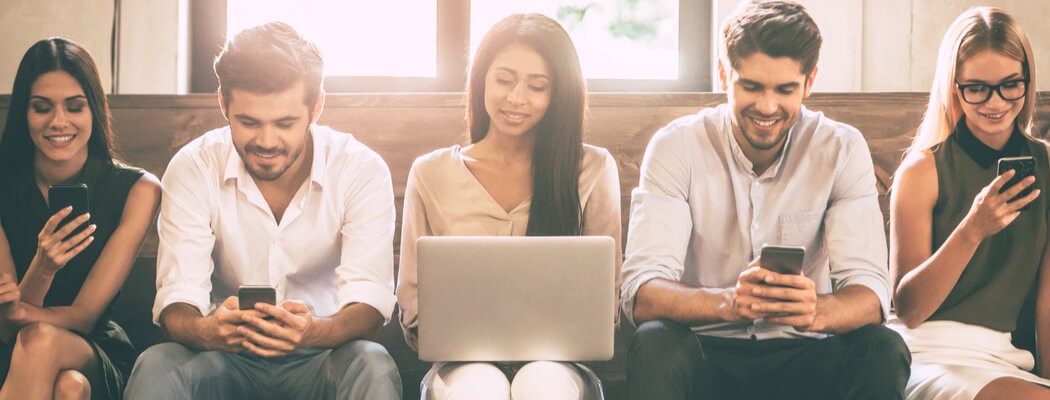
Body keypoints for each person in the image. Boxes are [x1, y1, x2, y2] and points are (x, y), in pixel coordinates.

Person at [619, 1, 911, 399]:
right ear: (725, 74)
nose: (768, 106)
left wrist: (817, 311)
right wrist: (729, 303)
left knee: (882, 347)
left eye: (785, 89)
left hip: (806, 350)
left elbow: (872, 295)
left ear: (809, 82)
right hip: (707, 353)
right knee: (655, 343)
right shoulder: (676, 146)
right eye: (752, 86)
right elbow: (641, 292)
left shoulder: (840, 149)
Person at [123, 22, 402, 399]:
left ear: (316, 107)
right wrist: (208, 330)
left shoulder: (360, 169)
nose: (267, 142)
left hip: (322, 357)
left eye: (285, 124)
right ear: (223, 103)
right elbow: (177, 303)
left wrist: (314, 331)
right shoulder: (193, 167)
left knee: (373, 363)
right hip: (223, 358)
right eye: (249, 122)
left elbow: (369, 307)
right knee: (157, 364)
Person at [396, 13, 622, 400]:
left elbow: (607, 303)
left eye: (537, 86)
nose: (516, 98)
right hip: (460, 365)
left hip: (560, 365)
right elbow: (412, 308)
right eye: (503, 80)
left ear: (558, 95)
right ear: (481, 78)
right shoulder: (431, 173)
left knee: (543, 386)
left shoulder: (593, 169)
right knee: (477, 389)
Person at [887, 7, 1050, 400]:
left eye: (1010, 84)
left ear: (1027, 82)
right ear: (953, 87)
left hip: (1005, 359)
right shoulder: (921, 172)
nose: (995, 102)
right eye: (976, 87)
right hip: (927, 353)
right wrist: (972, 228)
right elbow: (909, 309)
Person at [0, 37, 161, 400]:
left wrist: (19, 308)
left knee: (39, 339)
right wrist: (42, 268)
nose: (59, 122)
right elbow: (7, 328)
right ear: (24, 113)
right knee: (70, 388)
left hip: (95, 349)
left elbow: (85, 316)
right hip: (12, 353)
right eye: (42, 107)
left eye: (75, 107)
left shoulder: (138, 190)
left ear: (94, 110)